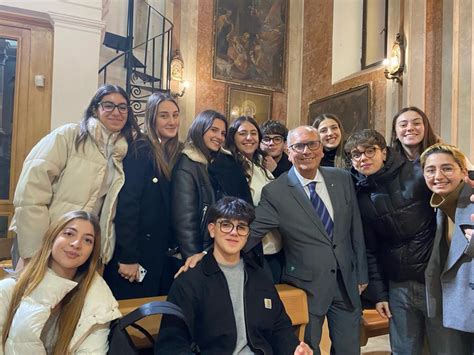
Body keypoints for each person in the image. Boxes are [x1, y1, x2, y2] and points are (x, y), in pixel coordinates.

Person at [344, 129, 463, 355]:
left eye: (370, 151)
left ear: (384, 153)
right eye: (355, 155)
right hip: (398, 285)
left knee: (447, 348)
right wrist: (379, 294)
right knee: (403, 350)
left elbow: (454, 185)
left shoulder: (417, 174)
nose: (363, 158)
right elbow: (370, 248)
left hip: (435, 281)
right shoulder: (358, 194)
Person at [155, 197, 313, 355]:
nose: (234, 232)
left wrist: (294, 349)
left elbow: (280, 328)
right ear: (212, 229)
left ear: (247, 234)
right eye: (226, 225)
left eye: (241, 227)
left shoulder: (259, 277)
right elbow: (171, 345)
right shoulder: (190, 281)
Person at [10, 84, 139, 266]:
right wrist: (35, 249)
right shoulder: (69, 136)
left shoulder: (123, 152)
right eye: (108, 105)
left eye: (122, 107)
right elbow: (31, 193)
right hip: (47, 240)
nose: (116, 112)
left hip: (80, 247)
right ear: (95, 109)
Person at [0, 210, 121, 354]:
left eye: (87, 240)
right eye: (69, 234)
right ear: (52, 238)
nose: (76, 244)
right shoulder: (9, 290)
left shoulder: (97, 301)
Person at [103, 92, 182, 299]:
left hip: (160, 252)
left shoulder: (173, 152)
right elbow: (128, 204)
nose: (172, 121)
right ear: (152, 118)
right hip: (137, 253)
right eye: (164, 115)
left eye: (175, 115)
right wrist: (128, 256)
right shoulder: (140, 150)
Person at [171, 110, 250, 260]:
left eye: (223, 133)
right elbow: (185, 222)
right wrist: (194, 258)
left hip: (213, 248)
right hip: (197, 251)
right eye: (213, 130)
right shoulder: (188, 165)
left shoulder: (215, 162)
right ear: (200, 129)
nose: (219, 137)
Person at [421, 143, 474, 354]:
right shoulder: (441, 205)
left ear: (463, 171)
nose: (438, 176)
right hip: (459, 303)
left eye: (447, 168)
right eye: (430, 170)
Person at [226, 116, 284, 283]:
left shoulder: (262, 163)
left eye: (253, 133)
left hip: (275, 246)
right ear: (233, 137)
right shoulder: (232, 167)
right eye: (243, 133)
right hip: (252, 247)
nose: (249, 138)